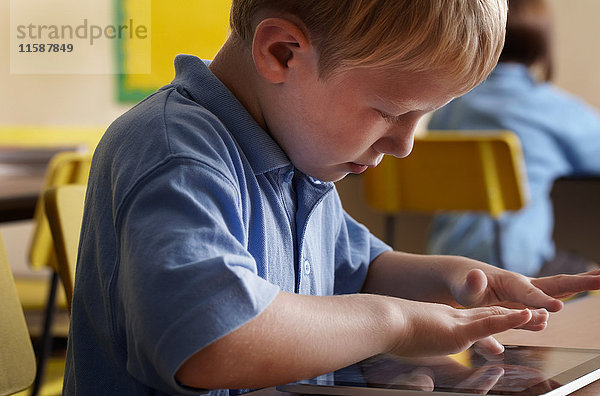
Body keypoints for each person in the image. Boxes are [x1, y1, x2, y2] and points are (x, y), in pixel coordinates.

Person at [64, 1, 600, 395]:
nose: (406, 145)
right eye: (391, 111)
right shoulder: (176, 151)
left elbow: (363, 270)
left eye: (422, 116)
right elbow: (213, 344)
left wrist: (458, 281)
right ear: (281, 53)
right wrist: (399, 323)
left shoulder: (297, 158)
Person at [426, 0, 600, 277]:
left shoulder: (449, 105)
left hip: (443, 259)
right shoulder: (549, 107)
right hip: (519, 266)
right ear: (540, 44)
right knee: (589, 274)